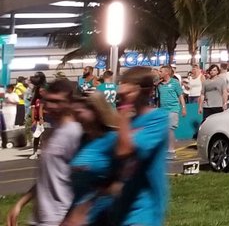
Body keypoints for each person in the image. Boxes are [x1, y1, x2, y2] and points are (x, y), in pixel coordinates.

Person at [8, 78, 81, 226]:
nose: (51, 106)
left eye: (57, 101)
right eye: (49, 101)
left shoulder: (75, 133)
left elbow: (87, 183)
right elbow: (47, 177)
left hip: (61, 218)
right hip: (41, 219)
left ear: (70, 103)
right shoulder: (51, 133)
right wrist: (20, 203)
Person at [104, 67, 171, 226]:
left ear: (145, 91)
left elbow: (124, 150)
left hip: (144, 210)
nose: (122, 92)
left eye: (128, 87)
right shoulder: (127, 122)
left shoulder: (158, 119)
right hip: (120, 207)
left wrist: (124, 108)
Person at [62, 85, 120, 226]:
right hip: (78, 216)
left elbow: (124, 182)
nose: (75, 117)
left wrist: (86, 206)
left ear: (95, 111)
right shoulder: (82, 141)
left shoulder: (113, 139)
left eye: (79, 112)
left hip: (105, 215)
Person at [155, 66, 182, 156]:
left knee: (170, 129)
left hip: (173, 109)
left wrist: (183, 107)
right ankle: (164, 147)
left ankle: (171, 149)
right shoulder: (159, 85)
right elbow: (157, 96)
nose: (159, 72)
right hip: (162, 109)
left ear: (166, 73)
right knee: (163, 129)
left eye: (161, 71)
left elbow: (180, 95)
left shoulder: (175, 83)